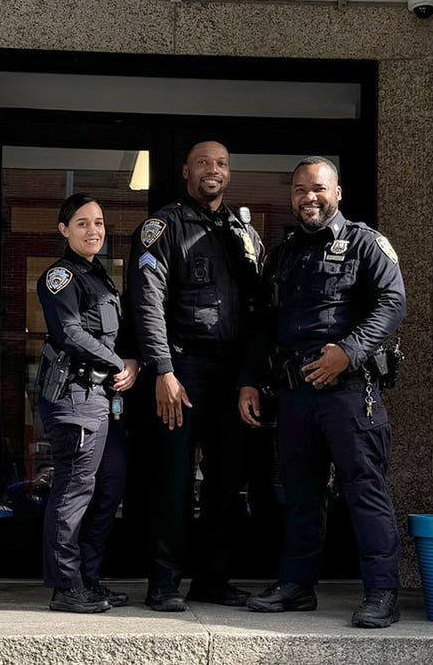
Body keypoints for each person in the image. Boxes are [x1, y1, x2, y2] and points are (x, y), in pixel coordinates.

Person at [238, 156, 407, 628]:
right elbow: (264, 324)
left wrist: (348, 353)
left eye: (316, 188)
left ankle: (381, 593)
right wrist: (249, 379)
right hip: (294, 395)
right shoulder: (285, 253)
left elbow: (394, 302)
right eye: (298, 190)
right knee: (299, 494)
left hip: (350, 392)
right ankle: (297, 586)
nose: (307, 197)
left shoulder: (365, 243)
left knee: (363, 490)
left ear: (337, 193)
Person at [126, 140, 264, 611]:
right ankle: (163, 583)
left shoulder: (242, 232)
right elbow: (147, 303)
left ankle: (213, 580)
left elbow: (258, 312)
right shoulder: (161, 227)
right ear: (186, 170)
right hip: (181, 371)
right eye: (204, 162)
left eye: (222, 163)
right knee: (174, 480)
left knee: (227, 481)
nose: (213, 170)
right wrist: (163, 370)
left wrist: (249, 376)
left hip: (232, 376)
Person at [36, 193, 140, 613]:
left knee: (109, 485)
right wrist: (120, 362)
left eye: (98, 223)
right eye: (82, 223)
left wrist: (131, 361)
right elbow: (70, 333)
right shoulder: (60, 276)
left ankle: (88, 580)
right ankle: (66, 586)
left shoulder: (100, 277)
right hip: (74, 397)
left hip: (102, 398)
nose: (93, 230)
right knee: (73, 490)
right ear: (64, 230)